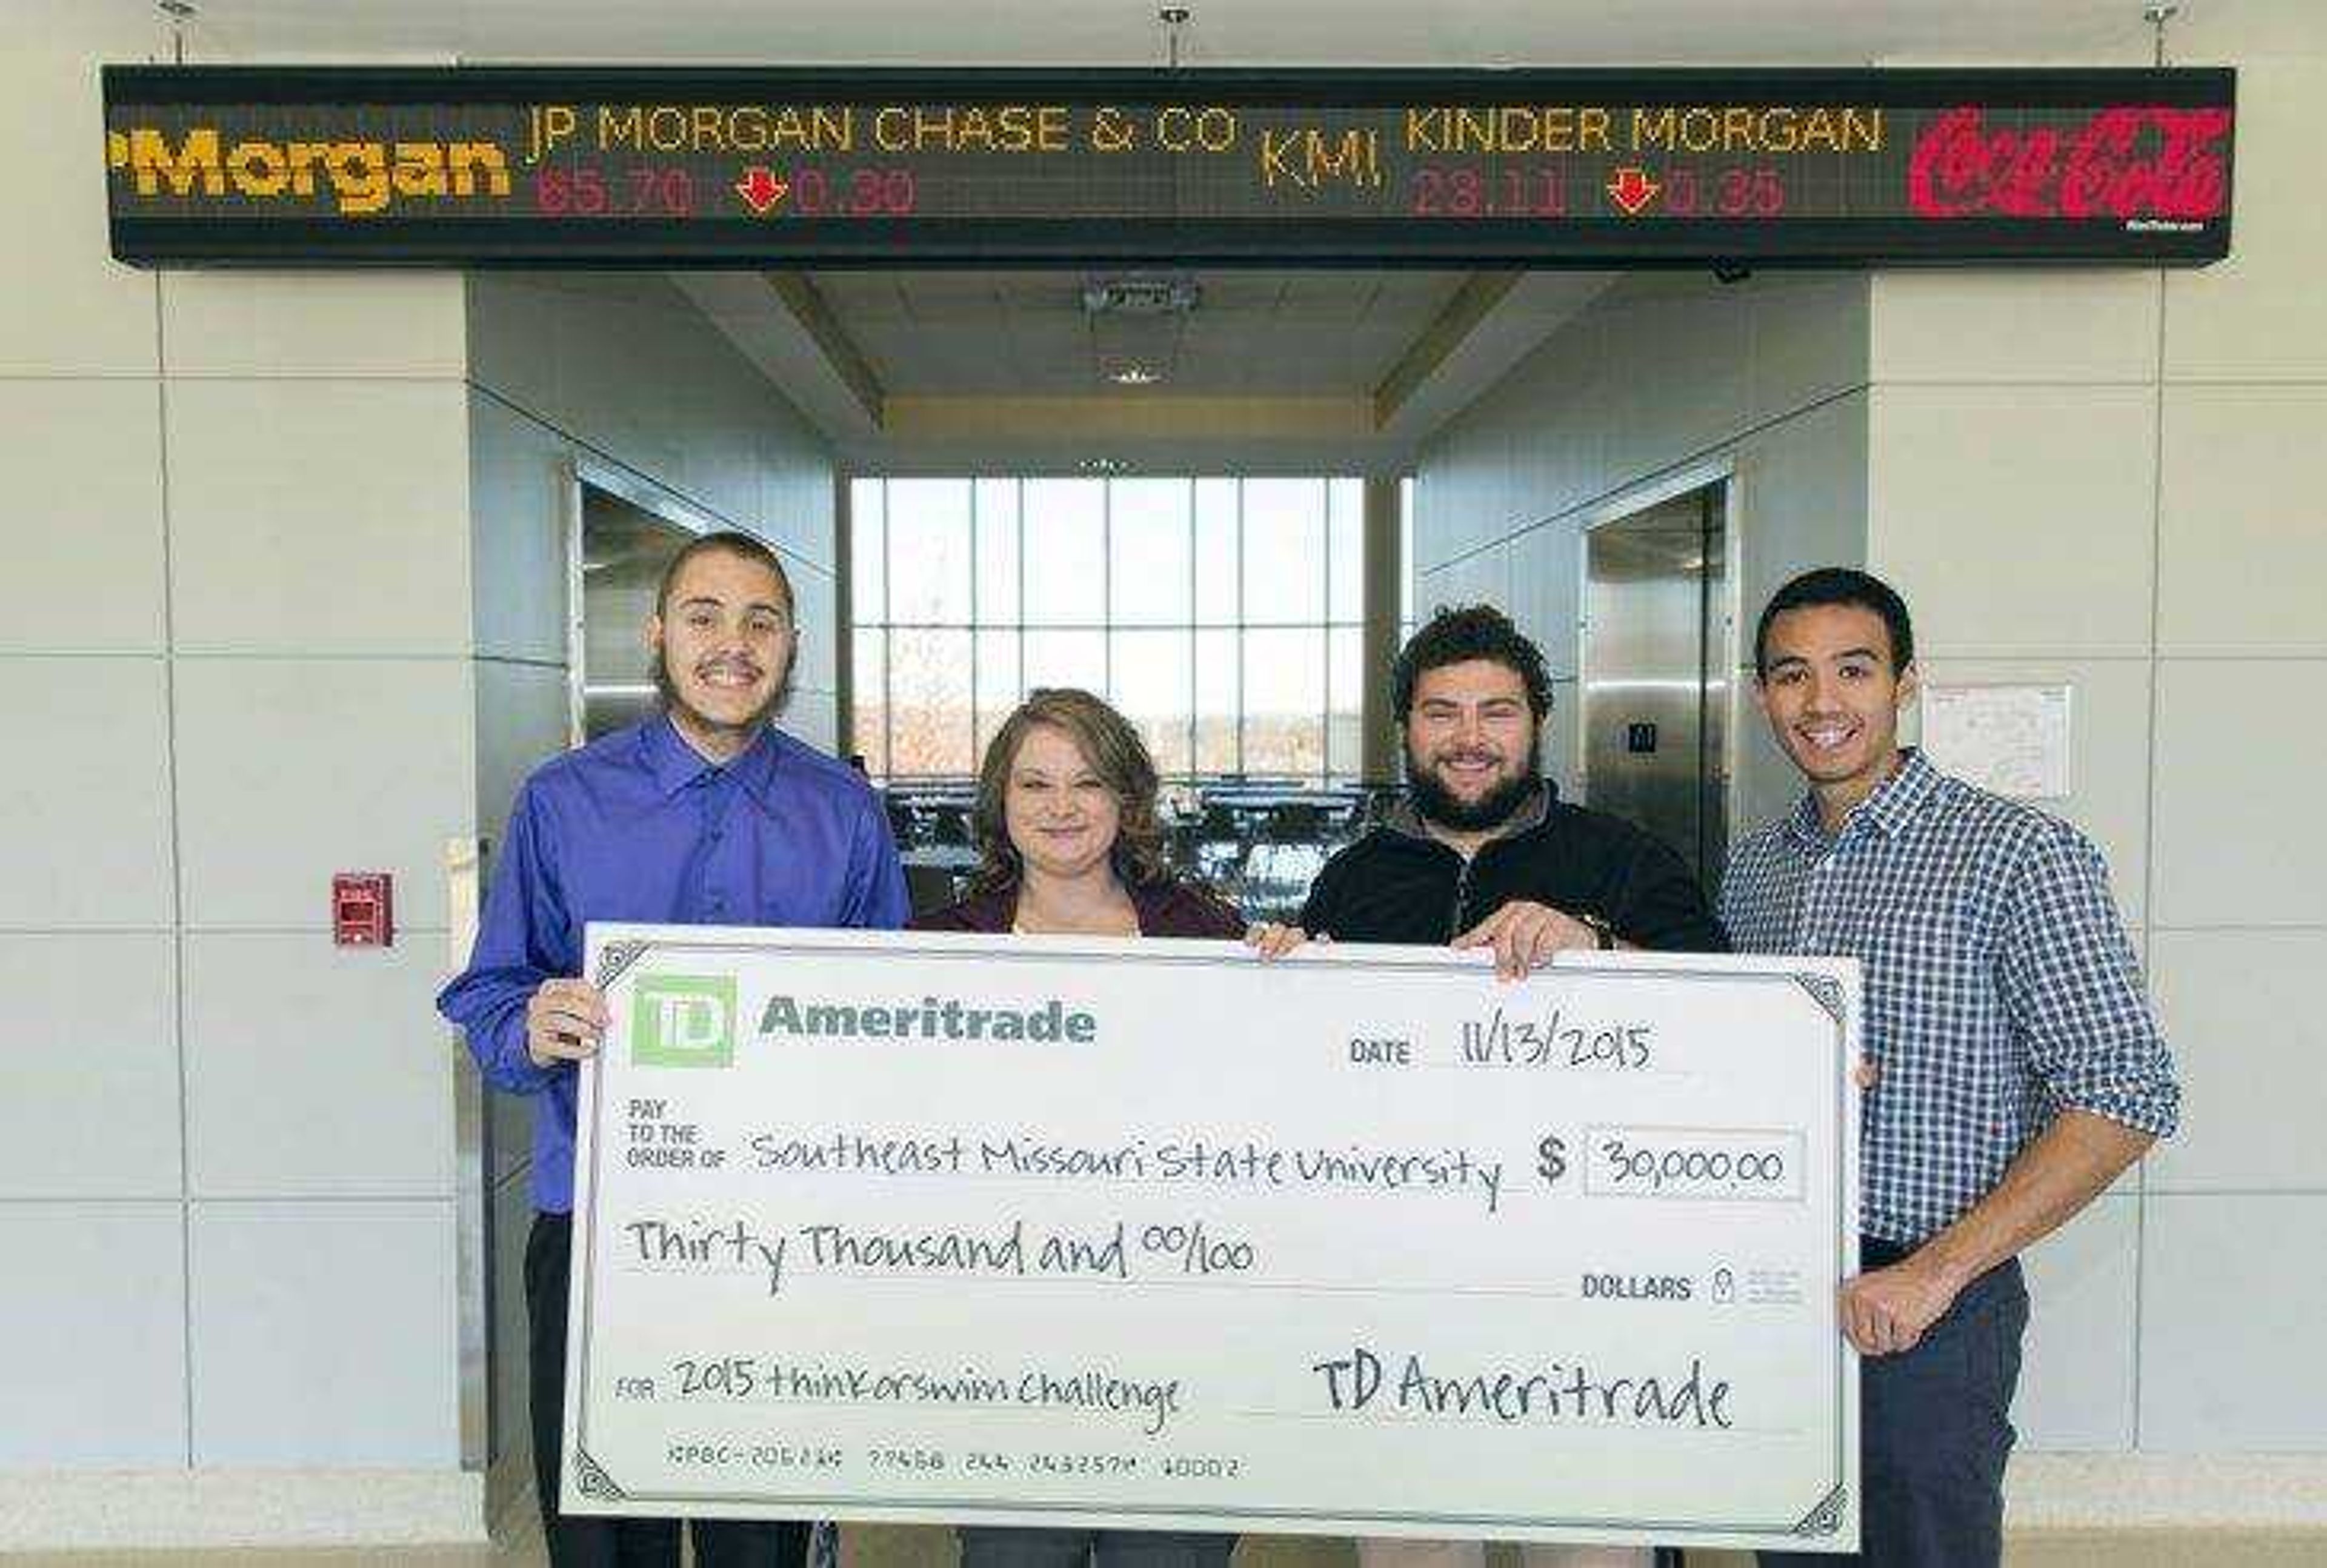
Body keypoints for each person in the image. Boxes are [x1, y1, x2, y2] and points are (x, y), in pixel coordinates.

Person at [439, 530, 908, 1568]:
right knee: (607, 1536)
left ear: (791, 647)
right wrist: (531, 1023)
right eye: (705, 616)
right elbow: (487, 993)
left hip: (787, 1233)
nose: (732, 644)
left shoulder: (844, 812)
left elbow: (894, 1019)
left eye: (761, 621)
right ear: (658, 634)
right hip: (601, 1228)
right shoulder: (562, 801)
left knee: (764, 1532)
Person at [1725, 568, 2179, 1568]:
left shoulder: (2019, 854)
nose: (1823, 703)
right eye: (1792, 677)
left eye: (1855, 670)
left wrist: (1935, 1272)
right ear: (1762, 695)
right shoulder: (1756, 868)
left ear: (1907, 681)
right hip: (1776, 1291)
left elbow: (2128, 1090)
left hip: (1929, 1303)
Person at [1299, 604, 1725, 1568]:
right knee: (1415, 1547)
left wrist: (1601, 948)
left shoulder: (1625, 859)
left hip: (1589, 1287)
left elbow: (1729, 1026)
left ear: (1537, 723)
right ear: (1404, 728)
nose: (1469, 739)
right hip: (1404, 1284)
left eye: (1496, 712)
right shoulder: (1353, 879)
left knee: (1588, 1547)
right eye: (1442, 712)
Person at [912, 687, 1305, 1568]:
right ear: (999, 805)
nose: (1061, 808)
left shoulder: (1210, 938)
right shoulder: (935, 949)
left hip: (1180, 1336)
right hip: (1001, 1341)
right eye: (1035, 785)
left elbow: (1270, 1116)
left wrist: (1298, 992)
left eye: (1087, 783)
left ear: (1127, 801)